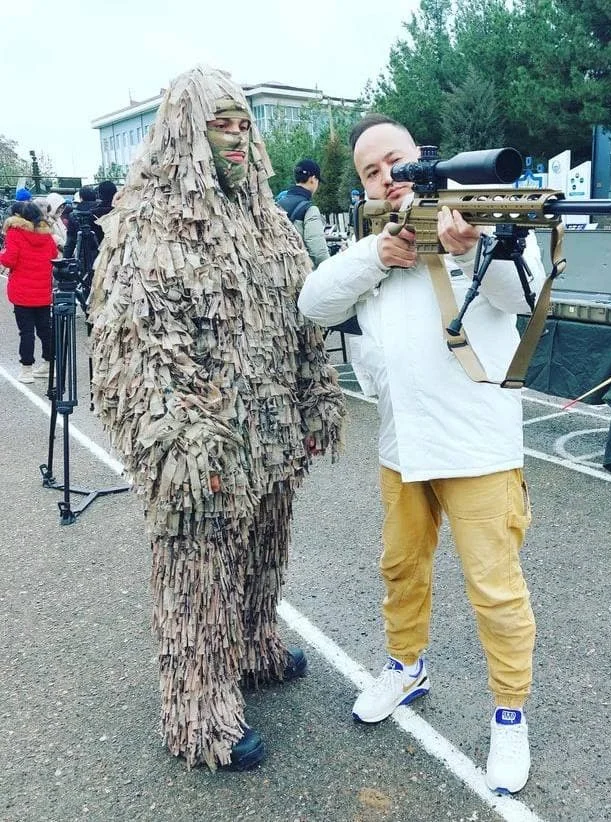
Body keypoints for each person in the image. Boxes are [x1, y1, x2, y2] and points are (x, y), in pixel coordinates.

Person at [87, 65, 344, 771]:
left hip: (272, 436)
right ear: (185, 133)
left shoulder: (268, 217)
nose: (236, 139)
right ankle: (199, 714)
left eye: (242, 124)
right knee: (199, 577)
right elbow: (133, 345)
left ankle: (255, 643)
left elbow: (305, 314)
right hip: (205, 446)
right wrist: (185, 438)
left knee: (262, 556)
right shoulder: (145, 224)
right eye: (220, 124)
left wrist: (318, 389)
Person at [297, 113, 543, 795]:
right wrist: (385, 251)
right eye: (373, 170)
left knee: (495, 591)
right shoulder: (374, 246)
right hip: (402, 446)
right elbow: (313, 303)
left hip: (478, 449)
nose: (387, 177)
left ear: (422, 160)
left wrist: (467, 246)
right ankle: (407, 666)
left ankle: (509, 711)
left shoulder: (475, 218)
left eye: (396, 163)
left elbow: (522, 294)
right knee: (401, 568)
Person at [0, 201, 56, 383]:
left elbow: (9, 260)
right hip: (43, 291)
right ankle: (49, 364)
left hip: (22, 291)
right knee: (44, 329)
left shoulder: (14, 233)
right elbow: (54, 256)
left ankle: (26, 369)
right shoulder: (46, 235)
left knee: (26, 331)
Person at [276, 159, 330, 268]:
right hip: (301, 272)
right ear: (313, 179)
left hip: (280, 270)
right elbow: (318, 252)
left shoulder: (278, 204)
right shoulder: (310, 209)